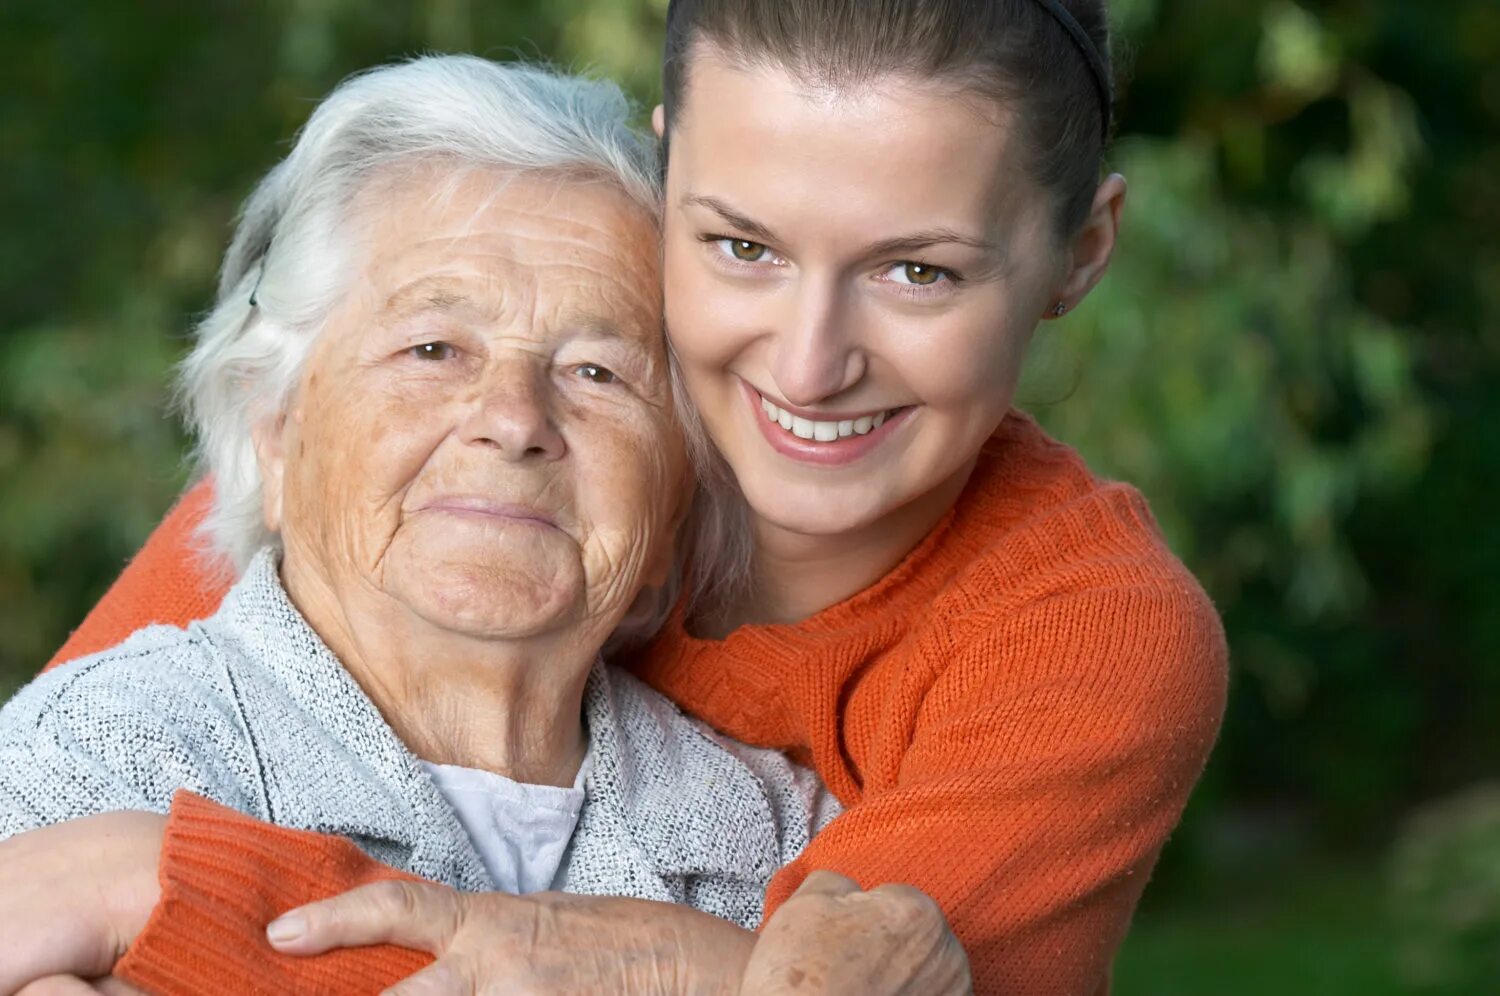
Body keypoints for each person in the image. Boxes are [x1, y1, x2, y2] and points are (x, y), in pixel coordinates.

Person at [32, 0, 1228, 992]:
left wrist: (154, 886)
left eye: (919, 270)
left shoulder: (1075, 636)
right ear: (673, 176)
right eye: (743, 246)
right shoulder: (400, 481)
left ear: (1081, 251)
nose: (808, 366)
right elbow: (40, 837)